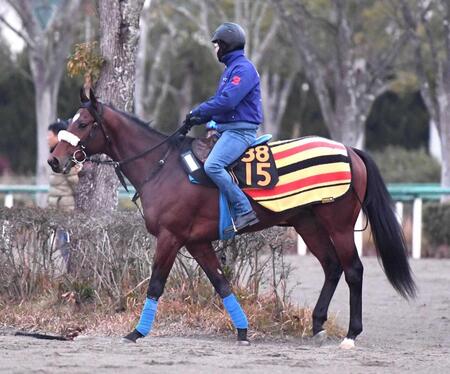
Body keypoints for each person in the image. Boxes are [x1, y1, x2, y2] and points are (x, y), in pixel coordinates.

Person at [185, 22, 263, 232]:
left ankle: (244, 210)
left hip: (240, 132)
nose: (215, 48)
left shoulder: (243, 69)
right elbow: (220, 102)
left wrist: (198, 111)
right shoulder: (231, 69)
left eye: (217, 44)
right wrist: (197, 118)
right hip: (227, 129)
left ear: (226, 45)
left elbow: (227, 101)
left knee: (213, 166)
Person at [47, 119, 79, 269]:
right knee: (60, 244)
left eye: (50, 135)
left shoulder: (65, 159)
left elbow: (74, 183)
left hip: (66, 210)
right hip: (59, 209)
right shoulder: (55, 157)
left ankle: (69, 270)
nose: (47, 138)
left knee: (66, 244)